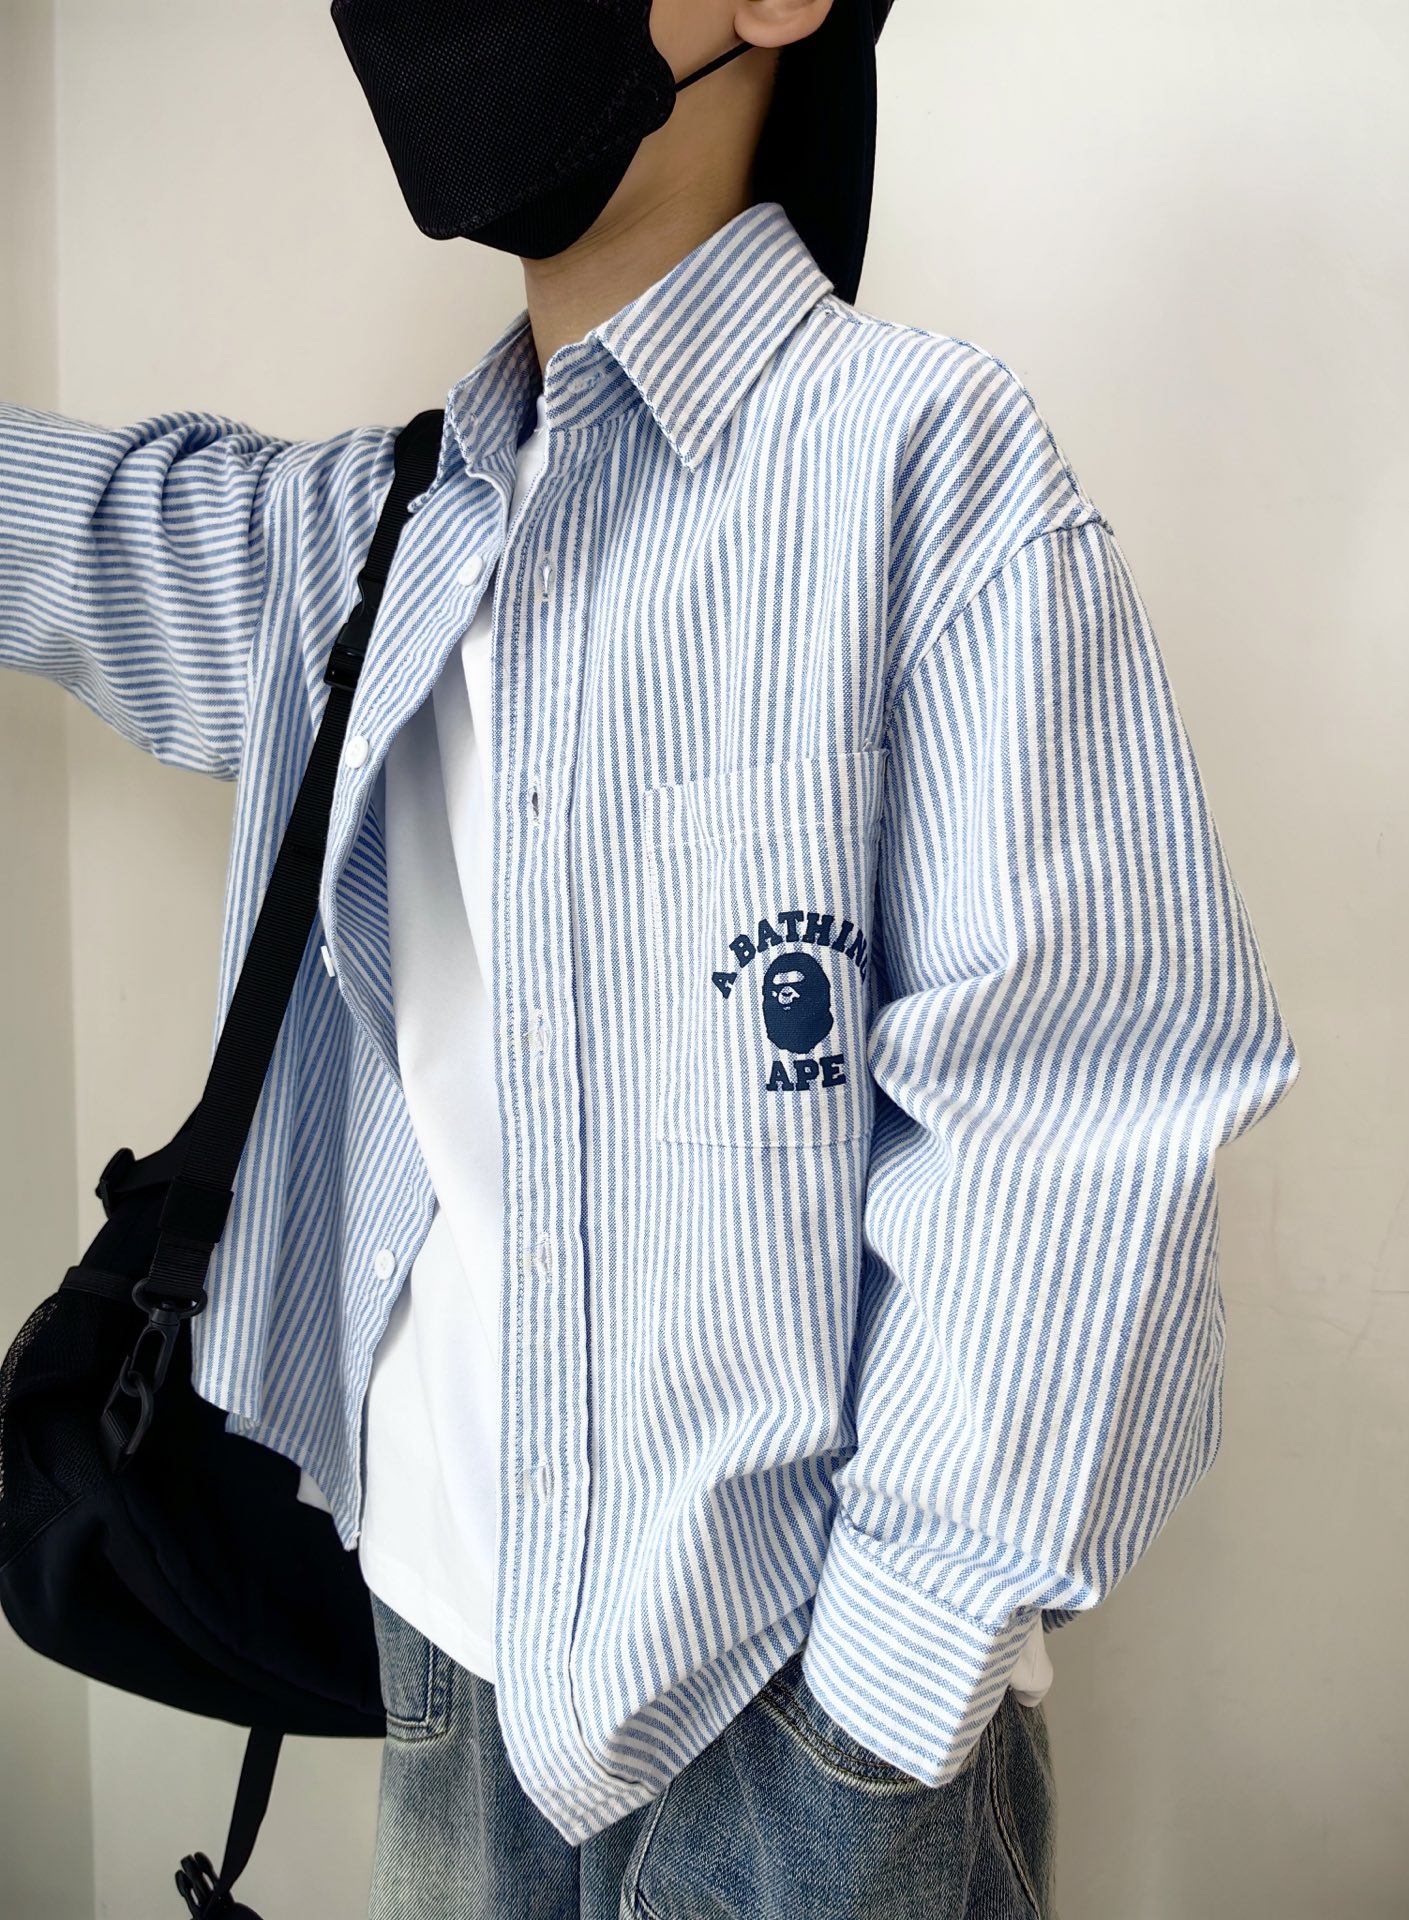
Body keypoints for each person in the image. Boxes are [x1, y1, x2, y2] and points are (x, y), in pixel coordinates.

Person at [0, 2, 1300, 1915]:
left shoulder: (919, 465)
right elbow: (59, 533)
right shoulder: (363, 543)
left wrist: (873, 1711)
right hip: (445, 1667)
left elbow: (1078, 1116)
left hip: (798, 1725)